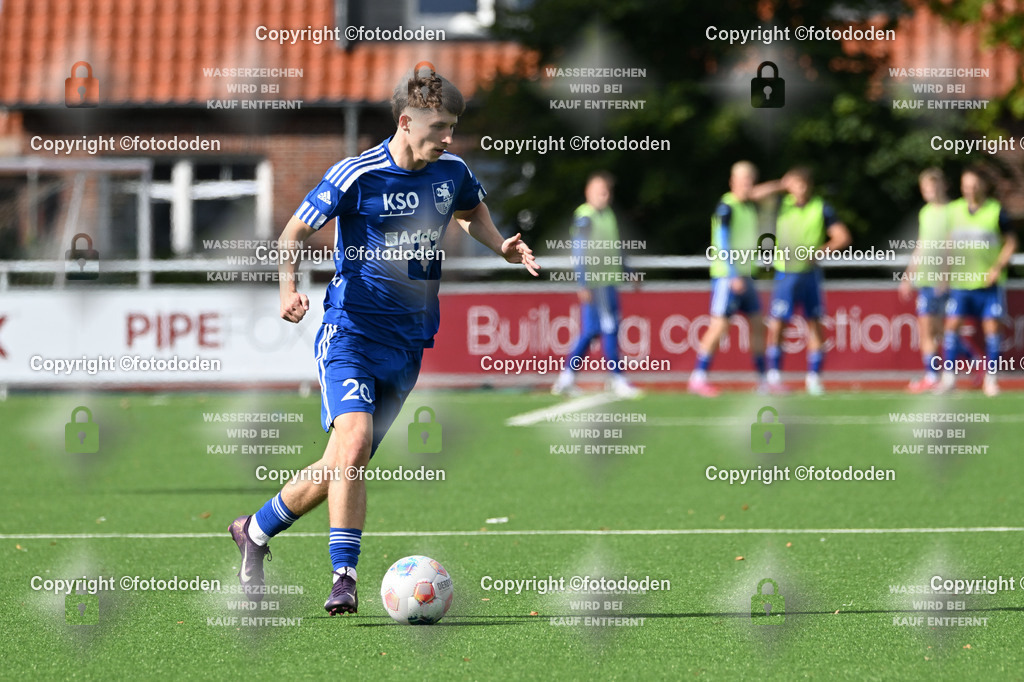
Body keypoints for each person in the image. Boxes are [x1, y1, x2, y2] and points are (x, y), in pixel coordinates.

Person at [229, 62, 539, 615]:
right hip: (350, 331)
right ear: (405, 122)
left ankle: (253, 530)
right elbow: (292, 233)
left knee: (340, 467)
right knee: (351, 445)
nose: (449, 137)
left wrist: (502, 247)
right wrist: (286, 289)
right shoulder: (357, 173)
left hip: (409, 342)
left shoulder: (452, 170)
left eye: (452, 128)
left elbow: (469, 212)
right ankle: (343, 577)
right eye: (440, 127)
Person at [551, 171, 641, 399]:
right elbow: (579, 252)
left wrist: (629, 271)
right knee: (609, 328)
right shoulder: (585, 216)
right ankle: (617, 378)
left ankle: (566, 378)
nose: (605, 195)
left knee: (592, 331)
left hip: (608, 281)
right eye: (600, 191)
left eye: (607, 191)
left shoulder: (607, 215)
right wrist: (583, 283)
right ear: (588, 192)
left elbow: (615, 247)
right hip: (595, 283)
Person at [764, 167, 852, 395]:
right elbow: (750, 195)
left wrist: (820, 252)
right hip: (786, 274)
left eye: (802, 183)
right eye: (794, 183)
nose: (799, 188)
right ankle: (773, 377)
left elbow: (842, 237)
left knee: (814, 324)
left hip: (810, 274)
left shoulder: (820, 207)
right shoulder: (779, 205)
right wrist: (779, 184)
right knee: (777, 324)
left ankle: (814, 378)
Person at [688, 161, 772, 397]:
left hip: (747, 276)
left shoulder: (748, 207)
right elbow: (723, 241)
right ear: (732, 181)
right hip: (729, 277)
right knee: (719, 327)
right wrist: (732, 274)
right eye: (742, 179)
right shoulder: (727, 206)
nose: (747, 184)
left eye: (750, 180)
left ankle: (763, 380)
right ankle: (698, 376)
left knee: (758, 324)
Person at [936, 167, 1016, 396]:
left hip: (988, 285)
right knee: (951, 327)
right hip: (961, 284)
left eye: (973, 186)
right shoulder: (954, 211)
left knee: (992, 329)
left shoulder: (995, 211)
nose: (969, 190)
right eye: (965, 186)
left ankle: (991, 380)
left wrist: (997, 267)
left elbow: (1010, 243)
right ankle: (949, 378)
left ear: (983, 186)